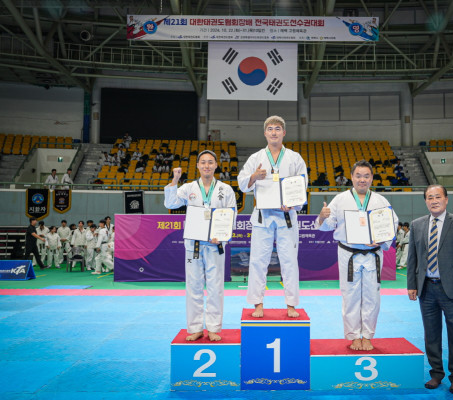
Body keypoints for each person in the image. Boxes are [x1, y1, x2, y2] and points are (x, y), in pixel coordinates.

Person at [316, 160, 398, 351]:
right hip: (348, 253)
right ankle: (353, 336)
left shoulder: (381, 201)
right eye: (358, 176)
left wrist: (381, 240)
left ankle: (367, 336)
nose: (362, 180)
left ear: (372, 178)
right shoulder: (340, 199)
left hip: (373, 253)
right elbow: (327, 225)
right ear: (351, 177)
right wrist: (321, 216)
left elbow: (391, 225)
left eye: (366, 176)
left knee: (372, 296)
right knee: (350, 295)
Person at [406, 184, 453, 395]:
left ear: (446, 199)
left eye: (438, 196)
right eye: (430, 197)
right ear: (425, 201)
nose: (434, 200)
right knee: (431, 334)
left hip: (452, 288)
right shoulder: (417, 225)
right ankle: (436, 373)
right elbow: (412, 258)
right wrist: (412, 285)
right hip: (426, 288)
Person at [237, 115, 307, 318]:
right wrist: (254, 177)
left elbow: (302, 183)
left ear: (284, 133)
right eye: (270, 129)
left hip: (287, 216)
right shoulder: (256, 158)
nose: (274, 132)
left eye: (277, 128)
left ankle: (291, 304)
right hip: (263, 217)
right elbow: (242, 183)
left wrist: (294, 203)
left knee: (289, 261)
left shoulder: (294, 158)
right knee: (258, 261)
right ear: (265, 133)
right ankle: (258, 304)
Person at [164, 150, 237, 341]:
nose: (206, 165)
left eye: (210, 162)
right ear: (197, 165)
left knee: (215, 287)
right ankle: (195, 328)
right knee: (193, 286)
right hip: (194, 244)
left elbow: (231, 215)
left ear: (216, 165)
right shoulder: (189, 188)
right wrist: (175, 180)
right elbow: (170, 203)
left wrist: (222, 235)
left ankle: (213, 328)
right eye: (203, 162)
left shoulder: (225, 189)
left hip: (215, 245)